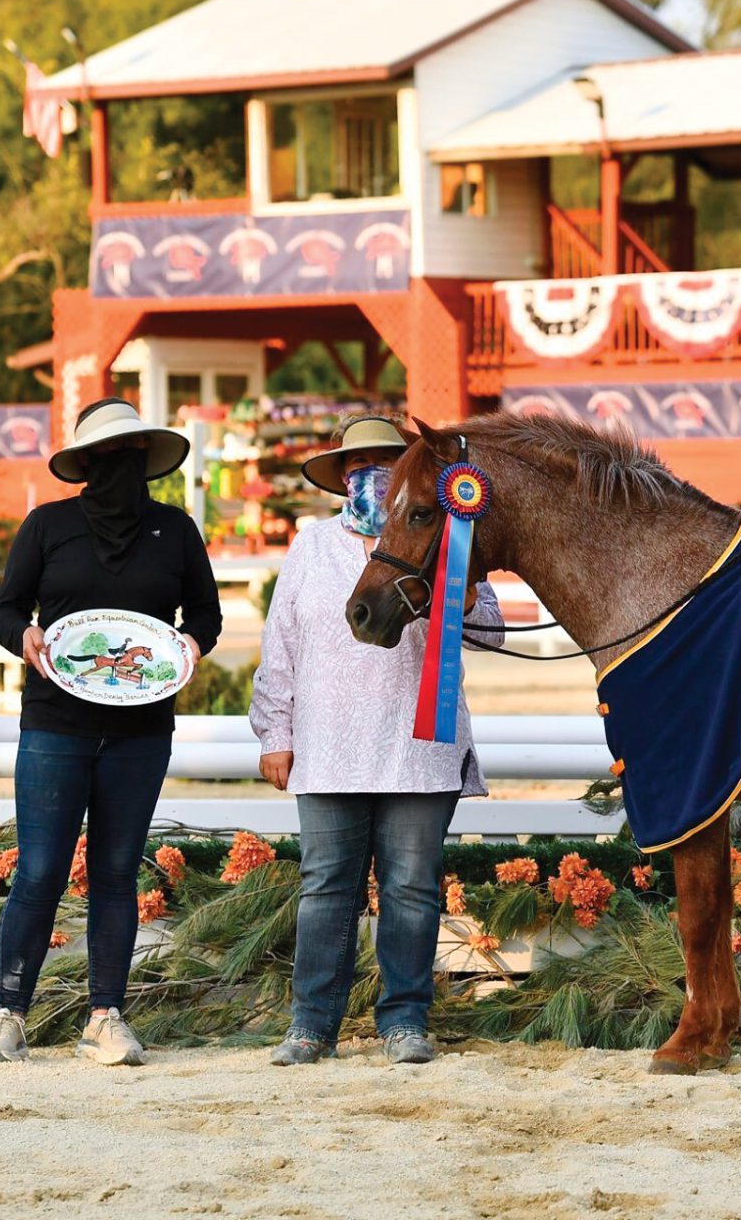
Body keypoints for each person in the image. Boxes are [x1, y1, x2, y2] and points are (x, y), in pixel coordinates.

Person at [249, 416, 504, 1066]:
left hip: (417, 747)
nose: (372, 473)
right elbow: (281, 645)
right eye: (358, 462)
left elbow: (491, 635)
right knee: (325, 889)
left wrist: (466, 592)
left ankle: (405, 1020)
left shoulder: (450, 534)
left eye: (385, 461)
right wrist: (275, 731)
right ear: (340, 475)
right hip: (328, 746)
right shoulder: (311, 546)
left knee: (412, 890)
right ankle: (311, 1025)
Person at [0, 398, 222, 1065]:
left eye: (132, 454)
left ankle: (105, 1017)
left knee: (116, 871)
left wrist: (190, 647)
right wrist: (23, 637)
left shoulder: (175, 531)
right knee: (41, 872)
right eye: (109, 455)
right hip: (56, 723)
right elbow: (6, 609)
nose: (121, 465)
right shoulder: (47, 526)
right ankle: (9, 1016)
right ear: (85, 462)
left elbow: (205, 611)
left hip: (142, 729)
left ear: (147, 460)